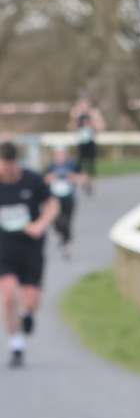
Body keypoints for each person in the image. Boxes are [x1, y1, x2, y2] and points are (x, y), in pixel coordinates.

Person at [1, 141, 60, 368]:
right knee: (8, 296)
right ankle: (16, 345)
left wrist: (41, 225)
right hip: (4, 248)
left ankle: (27, 314)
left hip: (31, 248)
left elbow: (52, 204)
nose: (7, 170)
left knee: (31, 299)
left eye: (11, 165)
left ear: (17, 162)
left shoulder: (33, 180)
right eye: (3, 165)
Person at [43, 146, 80, 260]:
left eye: (63, 154)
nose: (61, 157)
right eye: (58, 155)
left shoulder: (72, 165)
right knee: (57, 222)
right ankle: (63, 238)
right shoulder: (50, 166)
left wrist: (72, 177)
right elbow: (43, 181)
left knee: (66, 222)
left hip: (69, 198)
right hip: (55, 199)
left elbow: (82, 178)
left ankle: (66, 244)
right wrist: (50, 178)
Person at [68, 94, 106, 196]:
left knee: (90, 165)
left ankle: (88, 182)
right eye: (82, 104)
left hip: (91, 143)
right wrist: (74, 118)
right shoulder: (77, 115)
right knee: (79, 165)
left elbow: (101, 128)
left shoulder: (94, 114)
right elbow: (71, 128)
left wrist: (94, 120)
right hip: (80, 143)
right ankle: (84, 181)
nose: (84, 106)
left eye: (85, 104)